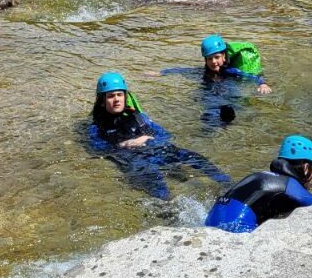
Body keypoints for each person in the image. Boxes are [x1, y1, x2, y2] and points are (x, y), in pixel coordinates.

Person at [86, 72, 230, 199]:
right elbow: (96, 148)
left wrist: (149, 138)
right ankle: (168, 205)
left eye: (119, 95)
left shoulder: (139, 117)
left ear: (125, 96)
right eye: (111, 96)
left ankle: (227, 183)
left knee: (194, 157)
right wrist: (123, 145)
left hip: (157, 150)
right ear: (102, 101)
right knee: (152, 180)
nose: (116, 99)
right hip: (134, 159)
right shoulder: (97, 127)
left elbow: (164, 135)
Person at [204, 135, 312, 233]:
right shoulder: (289, 185)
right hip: (236, 231)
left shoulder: (259, 176)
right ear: (306, 168)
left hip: (209, 222)